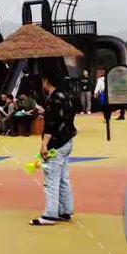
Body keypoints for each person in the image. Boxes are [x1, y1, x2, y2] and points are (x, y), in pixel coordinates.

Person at [31, 73, 77, 226]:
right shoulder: (66, 96)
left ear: (47, 81)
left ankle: (50, 214)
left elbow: (50, 125)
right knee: (64, 178)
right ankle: (65, 210)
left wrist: (44, 144)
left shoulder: (52, 100)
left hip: (56, 143)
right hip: (67, 140)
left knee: (51, 180)